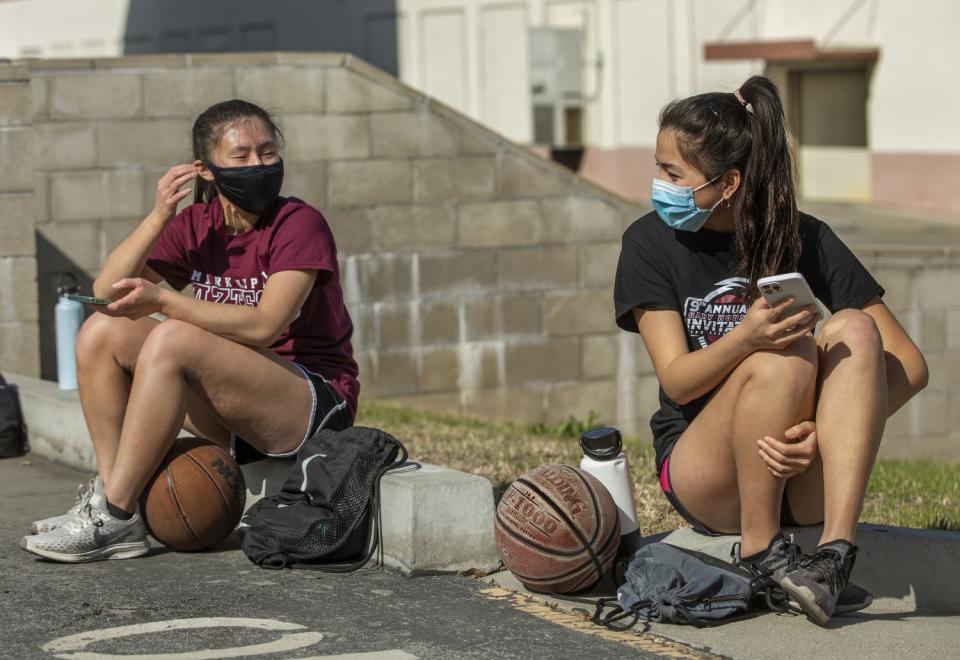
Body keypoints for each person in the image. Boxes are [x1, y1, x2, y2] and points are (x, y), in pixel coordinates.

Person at [613, 77, 928, 625]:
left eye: (673, 173)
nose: (658, 184)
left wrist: (821, 432)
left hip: (796, 474)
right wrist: (747, 337)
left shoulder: (804, 236)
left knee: (854, 328)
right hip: (706, 475)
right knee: (784, 353)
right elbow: (678, 380)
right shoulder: (648, 243)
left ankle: (831, 557)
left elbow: (911, 366)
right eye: (658, 168)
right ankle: (760, 552)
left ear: (727, 182)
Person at [22, 100, 358, 563]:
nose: (259, 165)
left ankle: (114, 514)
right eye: (241, 157)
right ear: (205, 168)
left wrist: (164, 301)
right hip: (232, 402)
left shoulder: (299, 224)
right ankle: (116, 505)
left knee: (171, 336)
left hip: (307, 401)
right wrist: (160, 212)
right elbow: (105, 290)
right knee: (102, 330)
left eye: (267, 152)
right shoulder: (196, 225)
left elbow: (264, 325)